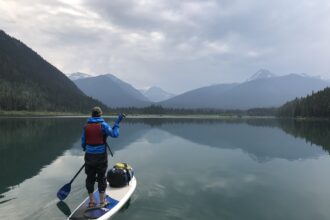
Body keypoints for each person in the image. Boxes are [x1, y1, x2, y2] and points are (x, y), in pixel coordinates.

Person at [81, 106, 124, 208]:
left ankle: (91, 202)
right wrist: (117, 124)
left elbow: (83, 142)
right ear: (101, 114)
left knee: (90, 178)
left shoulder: (86, 126)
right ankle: (102, 202)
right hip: (101, 157)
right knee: (101, 178)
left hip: (89, 156)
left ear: (92, 114)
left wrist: (86, 150)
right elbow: (114, 134)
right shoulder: (103, 125)